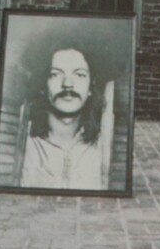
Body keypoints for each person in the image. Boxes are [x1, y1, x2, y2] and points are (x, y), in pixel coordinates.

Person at [20, 44, 113, 191]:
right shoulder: (24, 143)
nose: (67, 84)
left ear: (90, 87)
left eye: (79, 75)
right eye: (55, 74)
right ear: (43, 86)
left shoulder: (105, 146)